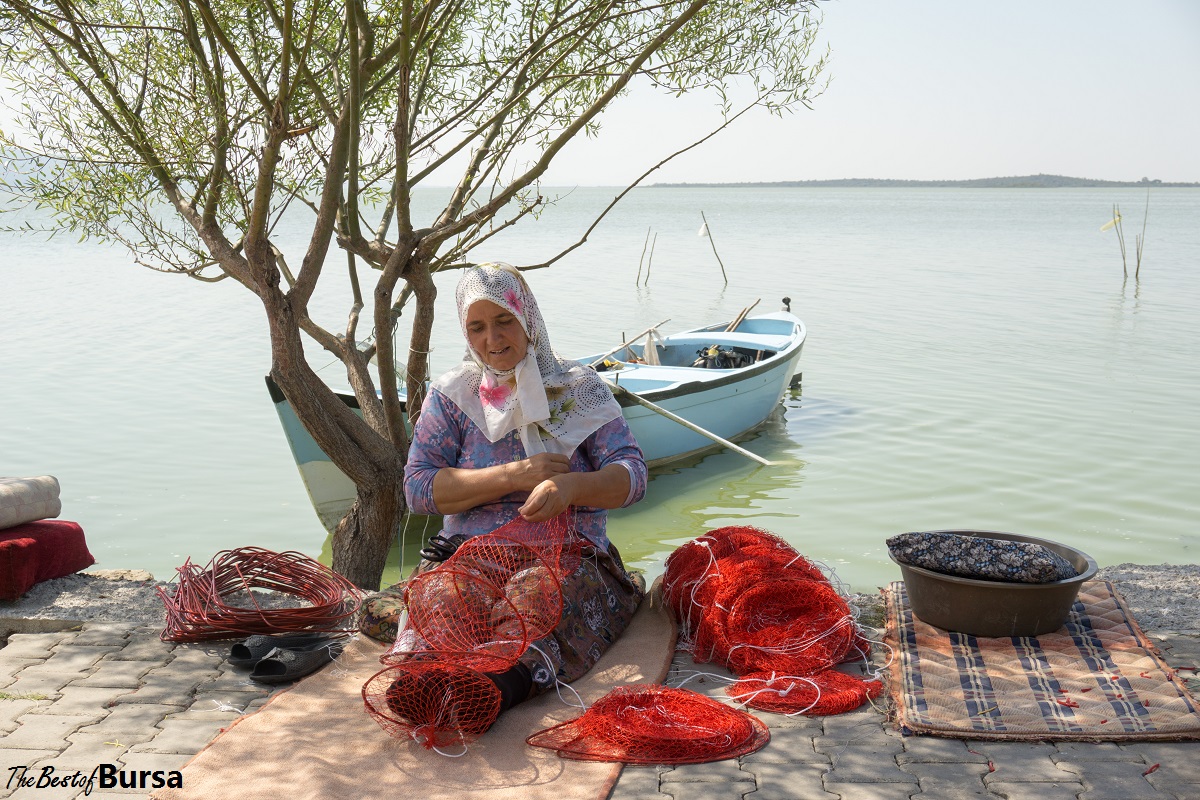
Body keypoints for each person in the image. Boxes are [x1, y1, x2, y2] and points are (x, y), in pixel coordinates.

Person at [361, 262, 647, 710]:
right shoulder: (452, 395)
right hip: (470, 552)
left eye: (504, 321)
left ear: (527, 318)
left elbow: (632, 476)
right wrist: (513, 476)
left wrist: (571, 488)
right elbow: (418, 489)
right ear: (464, 332)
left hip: (568, 552)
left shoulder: (580, 389)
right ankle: (425, 684)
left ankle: (494, 691)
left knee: (535, 597)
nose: (492, 341)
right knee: (445, 596)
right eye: (477, 328)